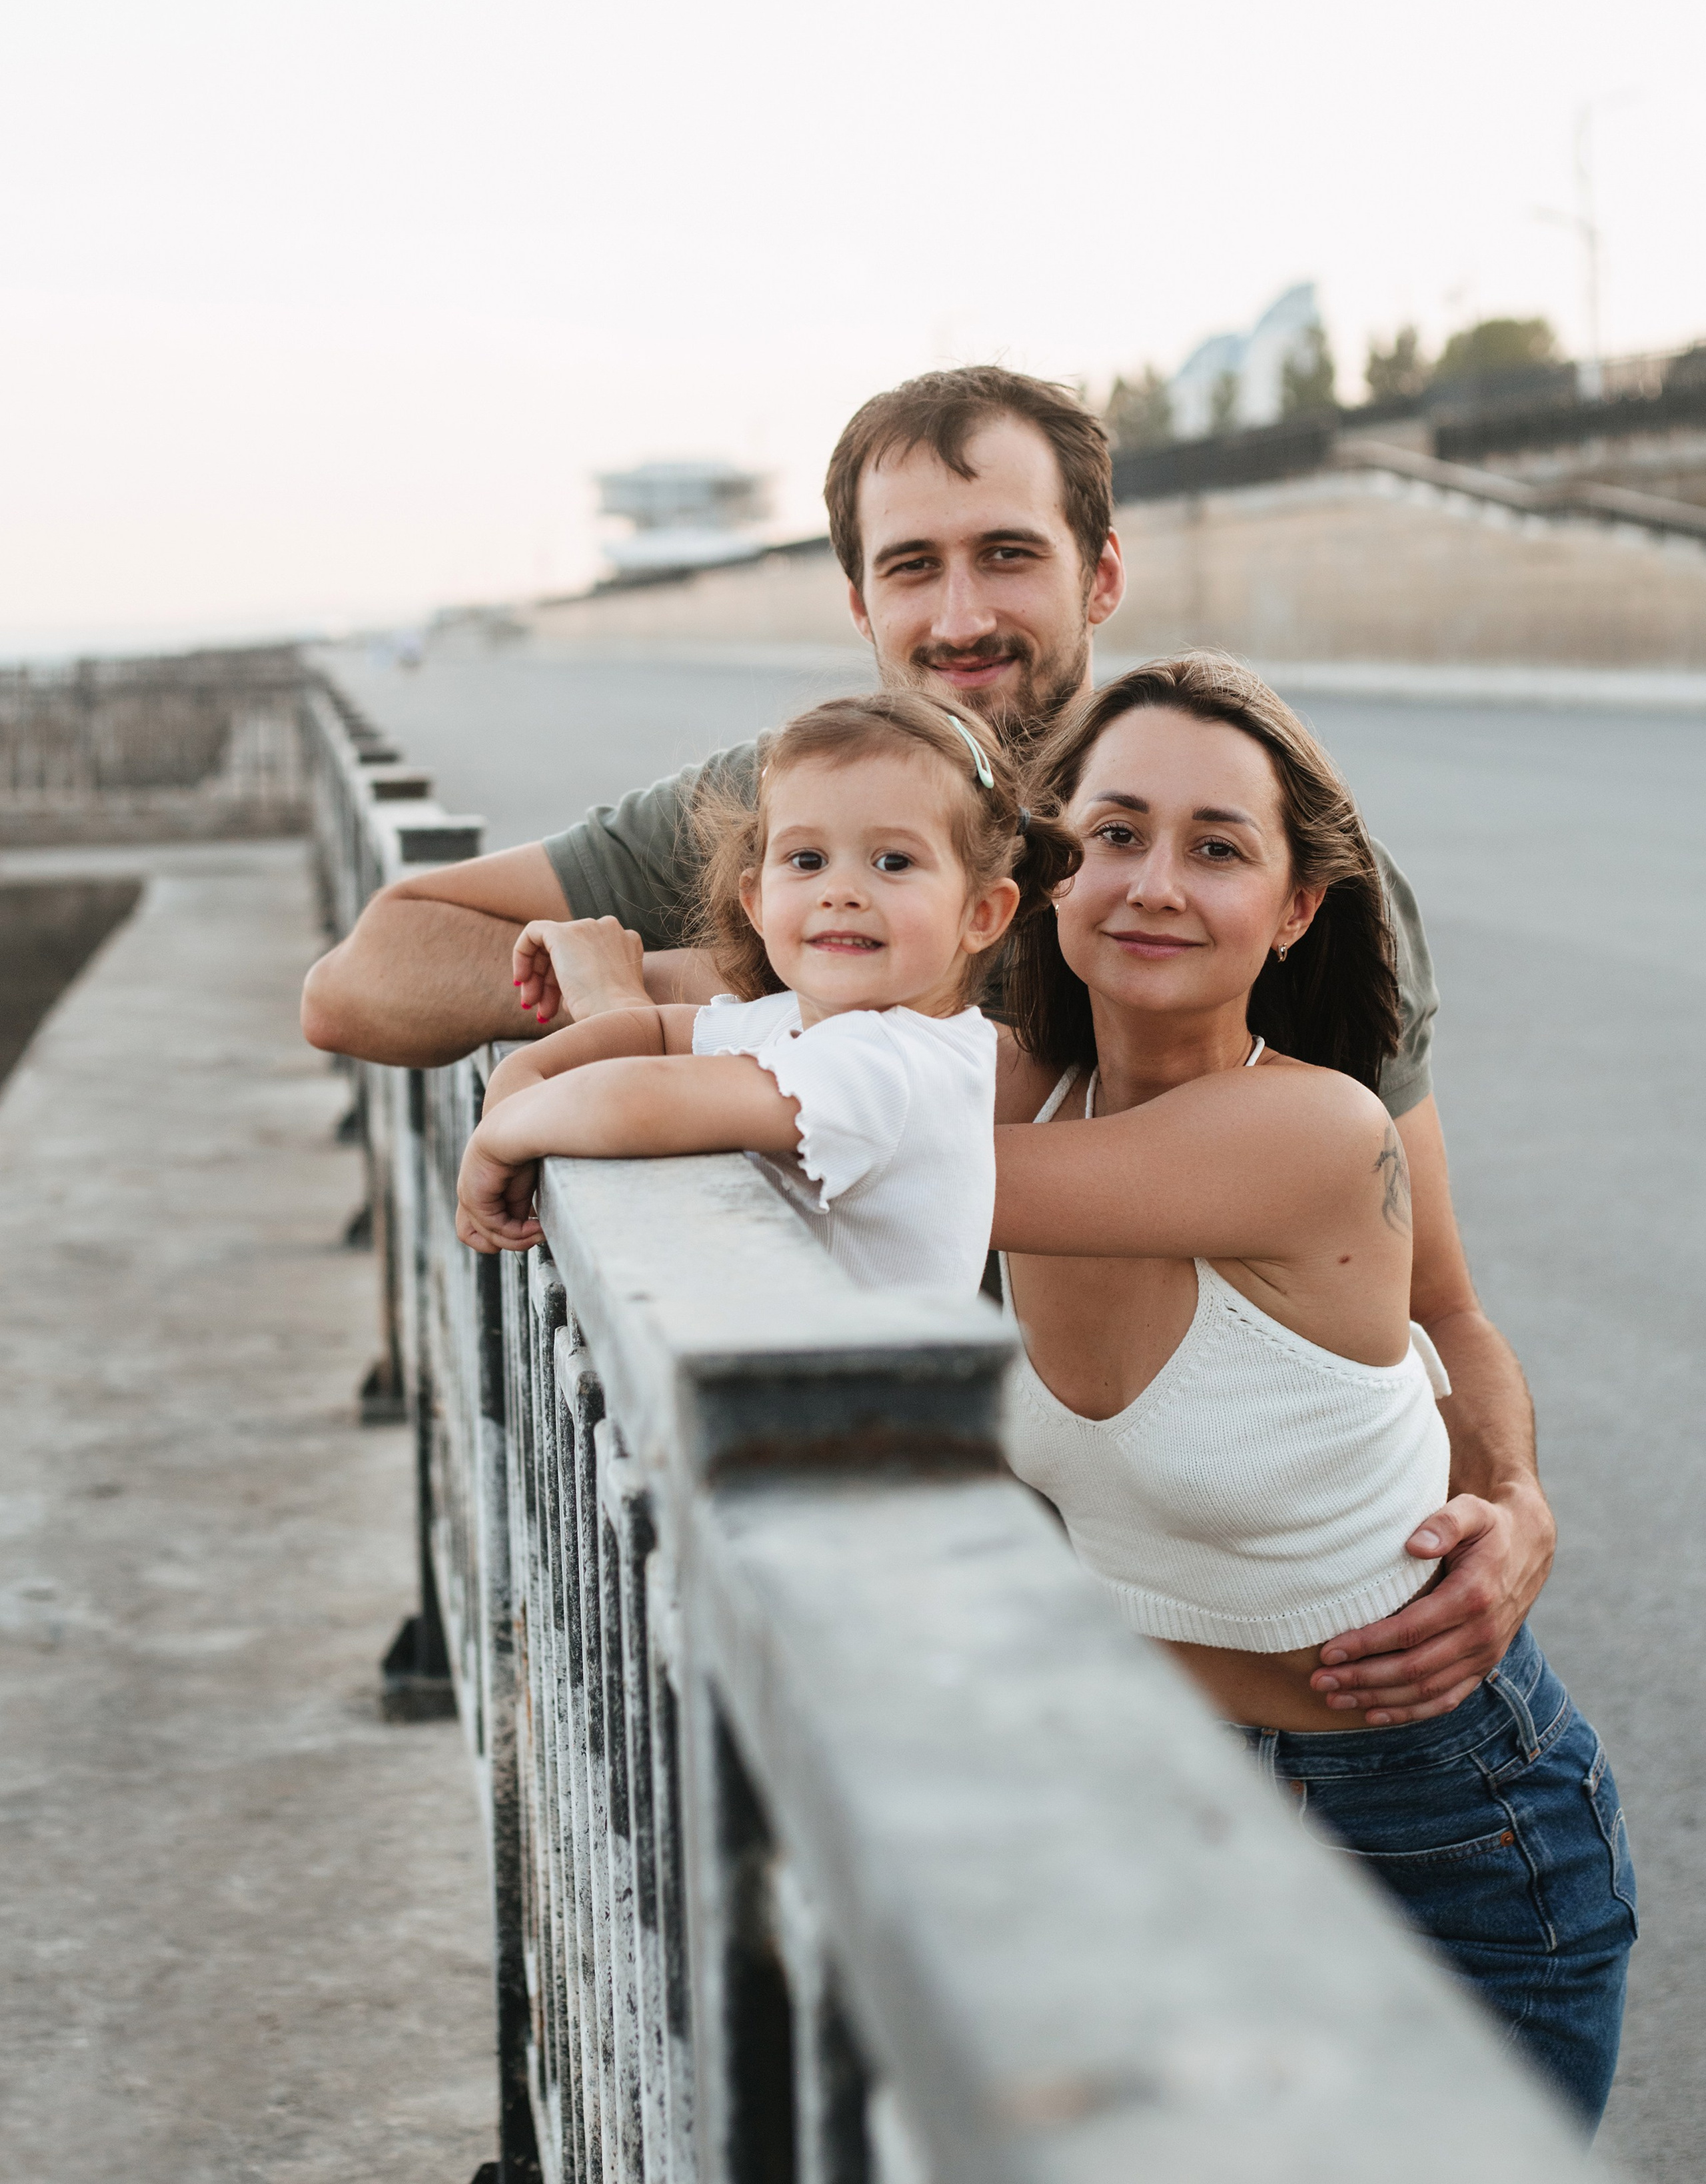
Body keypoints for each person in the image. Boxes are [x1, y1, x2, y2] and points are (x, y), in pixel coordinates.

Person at [301, 362, 1555, 1726]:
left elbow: (1433, 1306)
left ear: (1098, 574)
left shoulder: (1233, 879)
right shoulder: (806, 807)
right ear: (859, 602)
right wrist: (600, 989)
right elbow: (365, 982)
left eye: (1007, 555)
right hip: (1015, 1671)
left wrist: (1507, 1503)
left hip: (1286, 1687)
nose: (959, 616)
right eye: (912, 568)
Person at [990, 652, 1635, 2127]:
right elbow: (783, 1066)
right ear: (1046, 870)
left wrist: (1514, 1497)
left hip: (1438, 1836)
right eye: (1111, 833)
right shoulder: (1029, 1085)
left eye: (1215, 847)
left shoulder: (1312, 1129)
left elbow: (850, 1149)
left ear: (1293, 910)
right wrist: (584, 1032)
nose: (1151, 880)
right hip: (1172, 1814)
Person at [453, 690, 1072, 1300]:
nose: (842, 890)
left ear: (983, 913)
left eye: (893, 861)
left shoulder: (890, 1065)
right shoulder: (804, 1024)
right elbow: (662, 1033)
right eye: (807, 859)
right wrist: (522, 1070)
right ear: (756, 901)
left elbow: (634, 1101)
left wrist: (502, 1133)